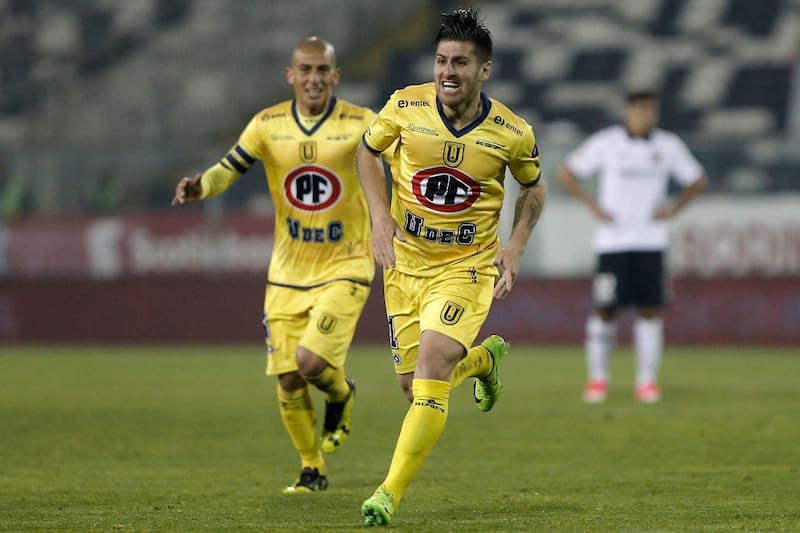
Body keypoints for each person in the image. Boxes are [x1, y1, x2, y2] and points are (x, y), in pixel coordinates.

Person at [356, 8, 546, 526]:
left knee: (433, 365)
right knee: (412, 386)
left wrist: (516, 246)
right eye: (441, 59)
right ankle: (484, 361)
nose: (447, 71)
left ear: (483, 70)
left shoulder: (511, 132)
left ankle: (388, 493)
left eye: (460, 62)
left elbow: (533, 185)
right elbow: (367, 152)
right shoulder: (404, 106)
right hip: (404, 266)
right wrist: (378, 216)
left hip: (467, 266)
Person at [172, 37, 381, 493]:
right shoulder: (267, 125)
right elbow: (230, 167)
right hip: (287, 271)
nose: (313, 78)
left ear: (335, 76)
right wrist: (200, 187)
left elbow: (397, 168)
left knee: (310, 361)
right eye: (304, 70)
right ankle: (312, 469)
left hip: (347, 264)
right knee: (288, 378)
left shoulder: (363, 123)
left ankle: (341, 393)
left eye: (322, 70)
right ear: (290, 75)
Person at [558, 90, 707, 404]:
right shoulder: (607, 143)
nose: (644, 116)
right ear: (627, 113)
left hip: (651, 242)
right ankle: (598, 379)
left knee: (650, 311)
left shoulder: (668, 145)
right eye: (639, 111)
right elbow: (567, 172)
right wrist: (592, 206)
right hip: (612, 243)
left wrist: (674, 209)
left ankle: (646, 382)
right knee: (604, 310)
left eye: (650, 111)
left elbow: (696, 180)